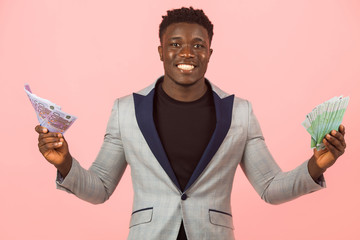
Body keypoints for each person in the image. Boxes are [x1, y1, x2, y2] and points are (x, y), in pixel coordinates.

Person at [35, 7, 346, 240]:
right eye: (175, 44)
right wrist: (65, 164)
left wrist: (315, 165)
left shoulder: (240, 112)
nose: (187, 52)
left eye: (198, 45)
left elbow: (270, 188)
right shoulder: (125, 110)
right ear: (161, 51)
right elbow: (99, 188)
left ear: (209, 53)